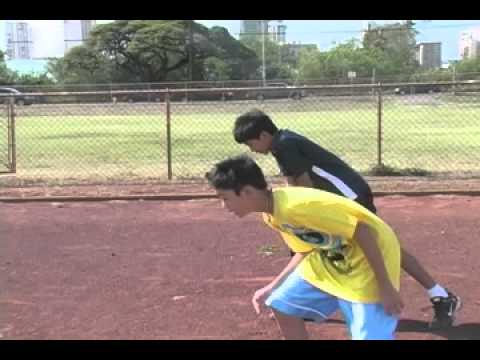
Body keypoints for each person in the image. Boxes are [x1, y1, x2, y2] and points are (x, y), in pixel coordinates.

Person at [233, 108, 461, 330]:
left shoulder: (284, 145)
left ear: (264, 135)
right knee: (370, 247)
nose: (252, 149)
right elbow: (296, 186)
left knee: (379, 245)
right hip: (344, 197)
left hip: (349, 197)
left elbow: (303, 188)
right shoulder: (283, 142)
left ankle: (439, 294)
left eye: (250, 143)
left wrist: (298, 225)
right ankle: (438, 294)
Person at [206, 155, 403, 340]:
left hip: (368, 263)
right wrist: (272, 287)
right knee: (281, 304)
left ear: (247, 192)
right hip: (333, 259)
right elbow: (305, 250)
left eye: (225, 197)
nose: (224, 205)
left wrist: (385, 287)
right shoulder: (272, 214)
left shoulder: (297, 207)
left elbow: (363, 231)